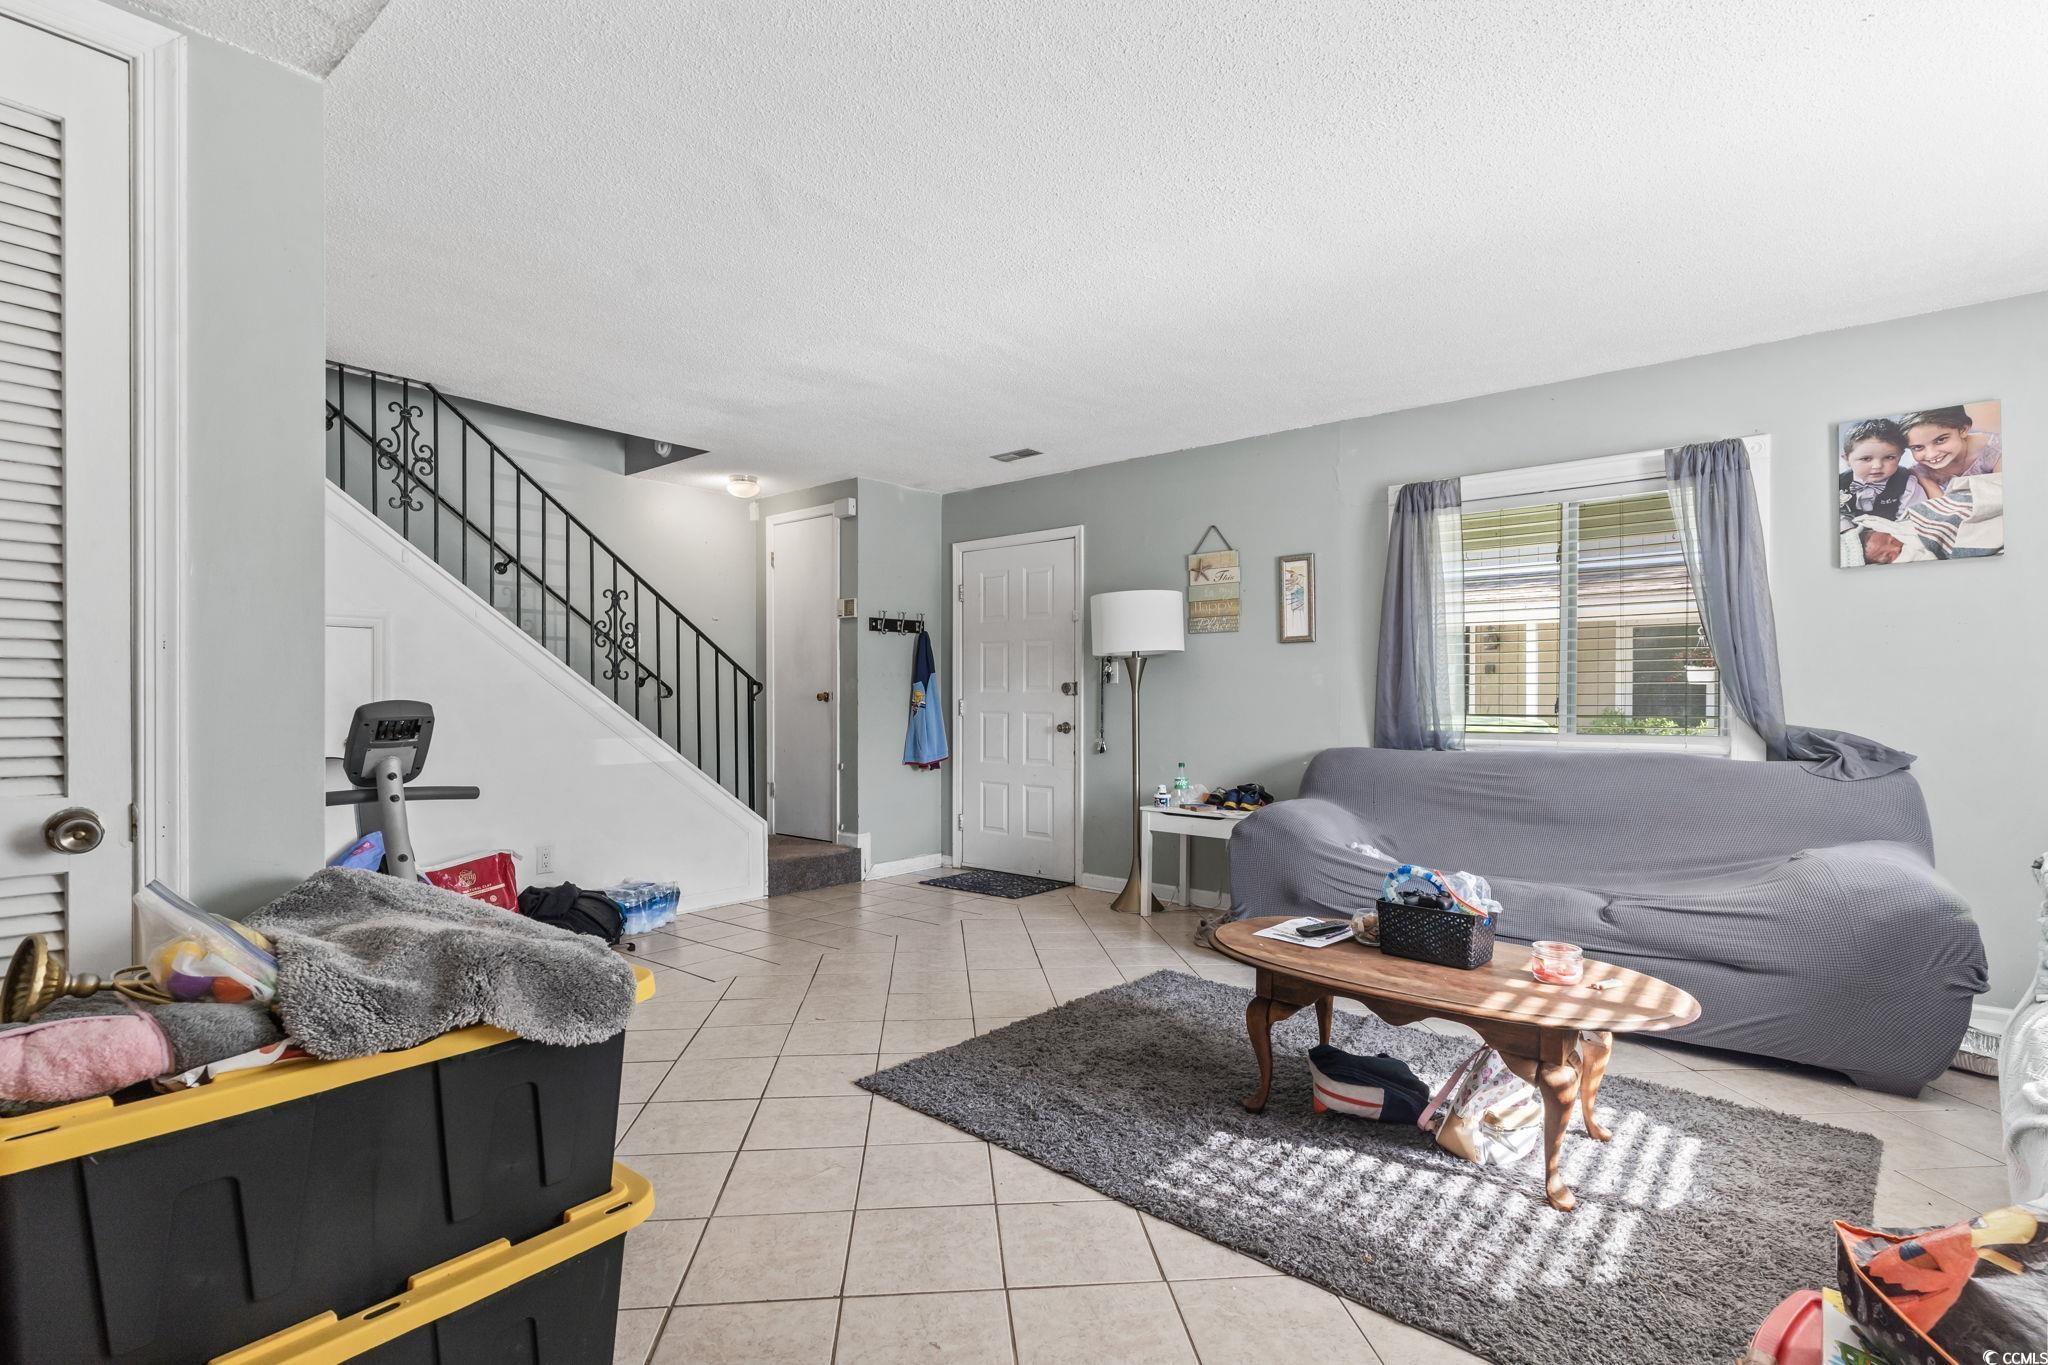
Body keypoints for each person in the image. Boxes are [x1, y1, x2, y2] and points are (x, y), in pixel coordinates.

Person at [1839, 418, 1924, 566]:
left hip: (1892, 537)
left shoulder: (1906, 482)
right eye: (1866, 458)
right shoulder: (1838, 483)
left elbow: (1914, 518)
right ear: (1846, 459)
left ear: (1900, 456)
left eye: (1889, 457)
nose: (1877, 465)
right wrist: (1849, 532)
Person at [1902, 405, 2001, 500]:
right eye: (1918, 447)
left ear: (1963, 429)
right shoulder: (1921, 471)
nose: (1931, 454)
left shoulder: (1996, 449)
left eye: (1940, 440)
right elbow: (1943, 505)